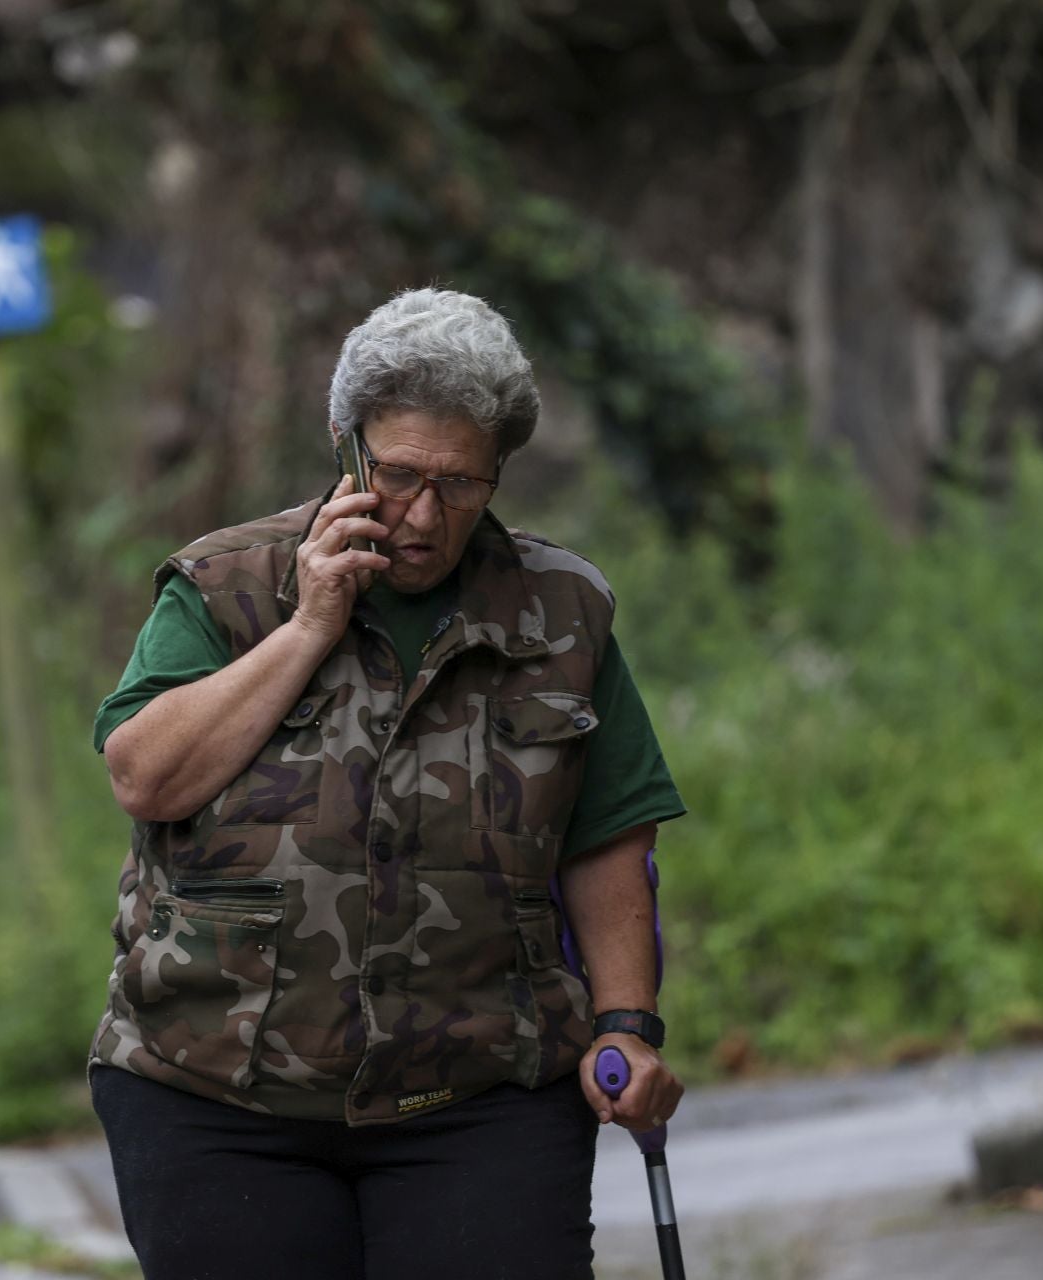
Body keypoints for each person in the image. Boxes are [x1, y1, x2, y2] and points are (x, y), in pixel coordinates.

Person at [85, 287, 686, 1280]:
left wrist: (627, 1023)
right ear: (347, 443)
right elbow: (146, 776)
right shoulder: (226, 586)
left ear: (498, 475)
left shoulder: (562, 612)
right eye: (399, 473)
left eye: (459, 484)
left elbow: (608, 834)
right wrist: (312, 625)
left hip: (483, 1091)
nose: (421, 514)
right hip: (218, 1093)